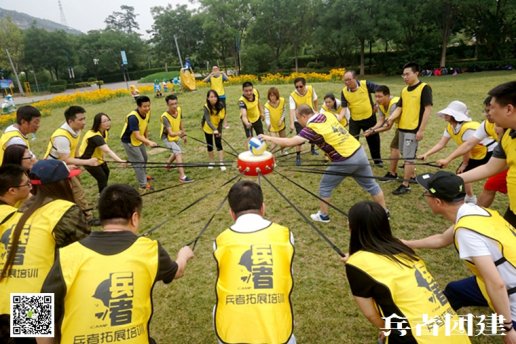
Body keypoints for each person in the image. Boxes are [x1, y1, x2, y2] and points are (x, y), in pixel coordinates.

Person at [40, 184, 194, 344]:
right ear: (135, 218)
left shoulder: (67, 254)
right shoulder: (150, 249)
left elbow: (35, 309)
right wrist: (183, 255)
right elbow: (177, 271)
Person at [407, 171, 516, 342]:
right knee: (455, 291)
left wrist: (508, 328)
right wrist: (405, 243)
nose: (425, 198)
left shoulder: (467, 231)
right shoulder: (473, 211)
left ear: (437, 202)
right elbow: (442, 239)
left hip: (510, 293)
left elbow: (497, 284)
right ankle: (427, 328)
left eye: (426, 193)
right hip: (505, 280)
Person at [345, 201, 470, 344]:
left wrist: (386, 330)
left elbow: (370, 314)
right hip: (455, 334)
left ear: (352, 228)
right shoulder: (402, 248)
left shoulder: (356, 264)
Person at [0, 160, 90, 341]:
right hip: (32, 298)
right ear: (61, 184)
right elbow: (85, 253)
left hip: (6, 293)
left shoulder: (22, 209)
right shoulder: (64, 210)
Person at [260, 105, 387, 223]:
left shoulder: (312, 129)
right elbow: (338, 118)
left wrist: (269, 138)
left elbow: (289, 142)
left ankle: (323, 215)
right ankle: (384, 213)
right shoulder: (327, 114)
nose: (298, 122)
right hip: (359, 152)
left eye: (298, 118)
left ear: (304, 116)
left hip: (344, 159)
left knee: (325, 185)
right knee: (371, 184)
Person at [213, 180, 295, 344]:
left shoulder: (220, 240)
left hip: (231, 331)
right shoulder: (285, 235)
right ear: (263, 208)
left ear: (231, 213)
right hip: (277, 331)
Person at [459, 81, 516, 226]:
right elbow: (490, 168)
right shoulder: (509, 134)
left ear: (509, 109)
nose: (489, 113)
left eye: (492, 108)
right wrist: (454, 179)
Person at [419, 100, 496, 204]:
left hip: (488, 152)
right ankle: (469, 197)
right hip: (476, 152)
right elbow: (441, 144)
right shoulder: (450, 127)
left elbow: (467, 148)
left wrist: (464, 164)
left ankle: (470, 198)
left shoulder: (468, 129)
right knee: (462, 173)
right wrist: (426, 154)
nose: (445, 115)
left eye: (448, 113)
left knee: (463, 172)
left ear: (455, 115)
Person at [437, 96, 507, 207]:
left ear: (507, 109)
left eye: (490, 110)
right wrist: (448, 161)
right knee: (490, 186)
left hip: (493, 154)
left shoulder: (469, 128)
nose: (486, 114)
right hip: (504, 158)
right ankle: (475, 214)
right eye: (485, 110)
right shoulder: (486, 125)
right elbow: (469, 144)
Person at [386, 62, 433, 195]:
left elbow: (428, 109)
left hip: (413, 129)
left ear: (416, 73)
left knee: (408, 157)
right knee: (404, 153)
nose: (404, 77)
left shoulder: (424, 88)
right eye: (403, 75)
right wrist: (390, 118)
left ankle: (405, 184)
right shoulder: (404, 90)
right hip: (402, 128)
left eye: (407, 74)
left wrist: (421, 130)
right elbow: (399, 108)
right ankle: (411, 176)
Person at [45, 106, 97, 222]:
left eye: (84, 118)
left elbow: (74, 148)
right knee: (77, 191)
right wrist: (87, 162)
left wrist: (78, 161)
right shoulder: (61, 137)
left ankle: (78, 215)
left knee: (75, 191)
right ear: (70, 121)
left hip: (66, 165)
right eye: (80, 120)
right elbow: (66, 159)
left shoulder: (76, 130)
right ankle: (87, 218)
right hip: (55, 168)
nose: (84, 122)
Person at [339, 70, 383, 166]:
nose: (347, 82)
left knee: (373, 140)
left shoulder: (365, 84)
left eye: (349, 80)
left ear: (355, 78)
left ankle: (377, 160)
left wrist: (377, 103)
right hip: (355, 120)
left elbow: (380, 90)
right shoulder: (344, 92)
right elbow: (343, 108)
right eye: (345, 80)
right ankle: (351, 160)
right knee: (352, 140)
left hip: (369, 118)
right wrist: (339, 118)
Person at [78, 112, 126, 193]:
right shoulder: (95, 136)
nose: (107, 123)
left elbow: (102, 148)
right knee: (102, 177)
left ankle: (104, 191)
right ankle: (103, 196)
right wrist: (120, 161)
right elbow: (107, 150)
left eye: (108, 120)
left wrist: (102, 158)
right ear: (98, 123)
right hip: (87, 160)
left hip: (97, 158)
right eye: (104, 121)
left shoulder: (104, 131)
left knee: (106, 171)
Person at [120, 95, 158, 192]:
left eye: (148, 106)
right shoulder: (133, 117)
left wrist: (146, 138)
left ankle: (144, 176)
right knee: (139, 162)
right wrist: (148, 142)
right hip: (129, 141)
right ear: (138, 106)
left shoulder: (147, 113)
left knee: (144, 158)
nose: (147, 108)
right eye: (144, 106)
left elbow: (145, 125)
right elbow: (136, 135)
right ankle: (143, 185)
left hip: (139, 139)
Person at [364, 85, 401, 181]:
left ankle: (393, 174)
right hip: (401, 126)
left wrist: (372, 132)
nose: (377, 99)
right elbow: (380, 121)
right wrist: (371, 129)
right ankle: (404, 172)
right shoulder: (380, 105)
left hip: (408, 126)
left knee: (394, 148)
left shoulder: (394, 104)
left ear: (388, 95)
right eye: (375, 96)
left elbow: (388, 127)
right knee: (397, 148)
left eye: (380, 96)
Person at [160, 94, 193, 182]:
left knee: (176, 151)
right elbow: (170, 133)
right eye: (172, 104)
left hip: (175, 135)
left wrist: (184, 134)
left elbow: (180, 122)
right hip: (167, 137)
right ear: (167, 105)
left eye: (176, 103)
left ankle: (167, 165)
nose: (174, 106)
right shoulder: (165, 117)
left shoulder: (179, 109)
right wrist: (179, 133)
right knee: (178, 152)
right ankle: (182, 177)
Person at [289, 77, 319, 165]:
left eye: (300, 86)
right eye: (296, 87)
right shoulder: (292, 96)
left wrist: (316, 110)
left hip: (310, 117)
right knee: (299, 138)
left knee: (314, 135)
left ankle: (312, 149)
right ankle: (298, 156)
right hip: (299, 119)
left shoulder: (311, 89)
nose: (298, 89)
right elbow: (291, 110)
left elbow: (315, 99)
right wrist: (291, 123)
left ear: (305, 85)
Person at [202, 90, 226, 171]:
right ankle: (211, 162)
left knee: (219, 144)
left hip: (217, 127)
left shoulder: (221, 105)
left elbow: (221, 120)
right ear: (208, 98)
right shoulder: (206, 107)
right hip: (208, 128)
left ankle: (221, 162)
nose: (214, 98)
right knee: (210, 145)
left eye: (215, 96)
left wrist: (219, 131)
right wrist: (214, 129)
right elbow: (208, 120)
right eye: (211, 97)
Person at [264, 87, 287, 154]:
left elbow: (284, 111)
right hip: (272, 126)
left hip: (280, 123)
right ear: (269, 96)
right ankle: (272, 156)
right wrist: (268, 125)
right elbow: (267, 117)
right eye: (271, 96)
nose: (272, 97)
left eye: (274, 95)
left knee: (283, 140)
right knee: (273, 143)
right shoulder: (267, 106)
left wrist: (281, 120)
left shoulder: (282, 101)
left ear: (277, 95)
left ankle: (283, 151)